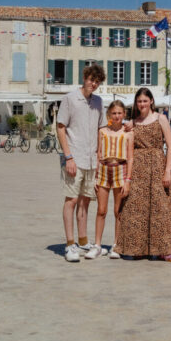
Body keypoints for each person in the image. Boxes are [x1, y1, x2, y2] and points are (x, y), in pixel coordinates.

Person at [116, 87, 171, 261]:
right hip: (138, 168)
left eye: (145, 101)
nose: (142, 104)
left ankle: (165, 249)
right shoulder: (133, 122)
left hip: (158, 164)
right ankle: (136, 248)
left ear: (151, 101)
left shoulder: (161, 119)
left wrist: (168, 171)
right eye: (139, 101)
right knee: (136, 208)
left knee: (161, 207)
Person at [56, 63, 106, 262]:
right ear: (85, 77)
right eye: (91, 79)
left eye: (97, 81)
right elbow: (60, 128)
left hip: (91, 159)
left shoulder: (99, 102)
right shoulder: (70, 99)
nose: (93, 84)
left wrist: (100, 156)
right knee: (72, 200)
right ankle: (70, 244)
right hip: (74, 157)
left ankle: (83, 240)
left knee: (86, 200)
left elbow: (101, 130)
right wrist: (68, 156)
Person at [88, 101, 132, 260]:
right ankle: (98, 245)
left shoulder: (128, 133)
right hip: (104, 169)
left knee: (118, 211)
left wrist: (128, 180)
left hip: (121, 169)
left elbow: (131, 158)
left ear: (124, 114)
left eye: (120, 113)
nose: (117, 116)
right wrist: (95, 175)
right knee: (101, 210)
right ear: (109, 115)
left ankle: (116, 244)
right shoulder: (102, 131)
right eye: (114, 113)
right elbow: (98, 153)